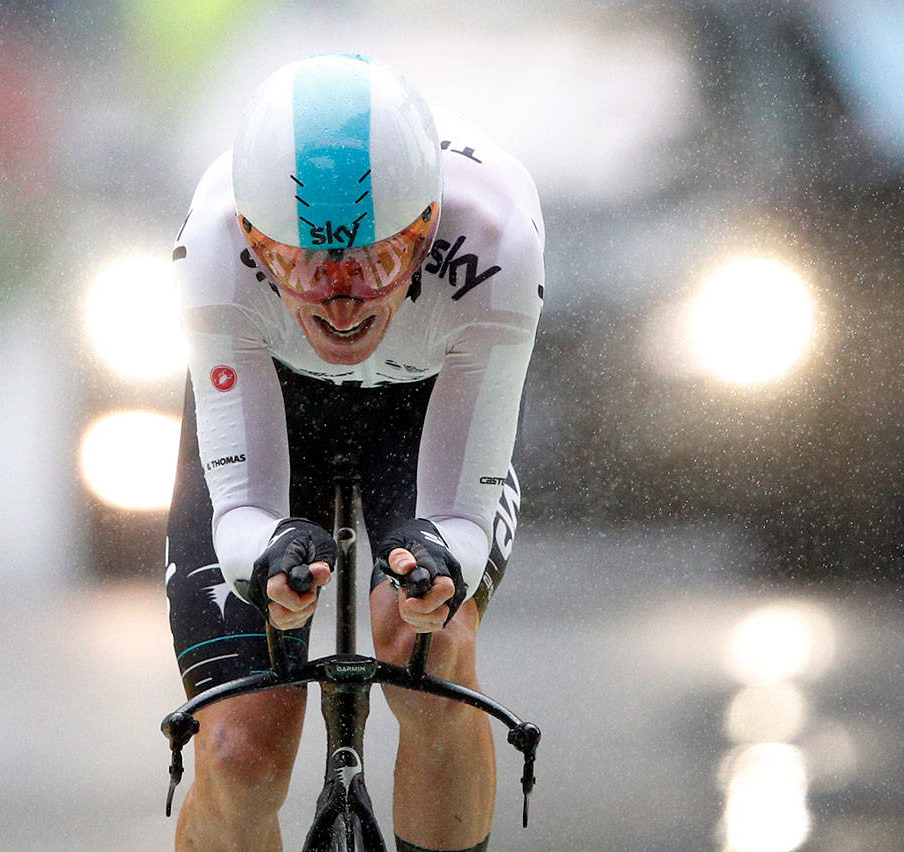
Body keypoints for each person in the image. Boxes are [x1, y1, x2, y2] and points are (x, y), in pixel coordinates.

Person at [166, 53, 543, 852]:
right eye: (303, 266)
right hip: (278, 401)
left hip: (424, 405)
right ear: (254, 241)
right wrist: (264, 553)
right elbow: (240, 510)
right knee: (240, 756)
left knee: (428, 658)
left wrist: (443, 556)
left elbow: (462, 519)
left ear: (428, 224)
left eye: (375, 261)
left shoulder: (498, 240)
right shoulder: (212, 242)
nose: (341, 302)